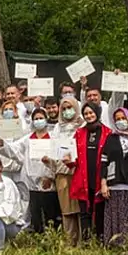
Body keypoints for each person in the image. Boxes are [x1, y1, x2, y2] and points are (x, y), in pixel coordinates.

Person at [0, 108, 59, 234]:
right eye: (36, 119)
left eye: (41, 118)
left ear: (46, 119)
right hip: (30, 181)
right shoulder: (27, 139)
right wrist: (2, 144)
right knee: (35, 211)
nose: (38, 121)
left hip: (47, 180)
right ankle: (37, 235)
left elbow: (57, 159)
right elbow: (14, 151)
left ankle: (52, 236)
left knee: (50, 211)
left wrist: (50, 176)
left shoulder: (53, 138)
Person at [100, 108, 128, 246]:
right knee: (117, 215)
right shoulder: (111, 138)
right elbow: (104, 162)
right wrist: (103, 184)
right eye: (117, 119)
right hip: (115, 184)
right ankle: (116, 244)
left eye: (123, 118)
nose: (121, 122)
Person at [67, 102, 111, 242]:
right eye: (86, 113)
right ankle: (86, 242)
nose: (89, 116)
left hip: (100, 177)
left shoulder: (107, 132)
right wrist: (68, 161)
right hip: (83, 177)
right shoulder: (79, 133)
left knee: (100, 211)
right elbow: (74, 156)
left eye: (91, 113)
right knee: (84, 212)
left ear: (97, 113)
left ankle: (100, 240)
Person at [51, 96, 83, 244]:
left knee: (80, 209)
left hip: (79, 172)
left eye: (70, 108)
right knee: (67, 211)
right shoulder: (57, 128)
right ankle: (70, 242)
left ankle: (84, 240)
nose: (66, 111)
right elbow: (53, 151)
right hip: (62, 173)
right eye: (63, 109)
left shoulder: (82, 126)